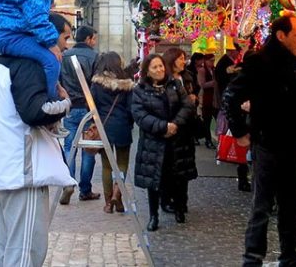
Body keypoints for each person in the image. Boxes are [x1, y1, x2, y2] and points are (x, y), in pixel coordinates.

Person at [0, 13, 75, 267]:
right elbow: (34, 111)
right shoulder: (29, 65)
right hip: (21, 172)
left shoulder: (3, 63)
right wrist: (65, 104)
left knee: (3, 244)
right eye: (64, 37)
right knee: (26, 248)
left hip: (3, 168)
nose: (65, 45)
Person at [223, 14, 296, 267]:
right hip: (267, 144)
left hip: (291, 144)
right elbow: (230, 96)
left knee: (289, 205)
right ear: (281, 36)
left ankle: (289, 255)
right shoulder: (260, 62)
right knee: (262, 205)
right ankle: (252, 258)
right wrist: (239, 132)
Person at [132, 53, 197, 232]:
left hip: (176, 140)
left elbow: (187, 106)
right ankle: (154, 216)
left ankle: (178, 208)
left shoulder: (175, 85)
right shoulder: (140, 90)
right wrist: (163, 127)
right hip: (153, 142)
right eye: (154, 67)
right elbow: (140, 115)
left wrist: (174, 124)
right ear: (147, 71)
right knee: (154, 181)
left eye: (161, 66)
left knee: (176, 176)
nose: (159, 70)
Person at [59, 25, 100, 205]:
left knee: (70, 147)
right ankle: (85, 189)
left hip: (69, 107)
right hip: (88, 108)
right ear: (89, 39)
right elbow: (97, 85)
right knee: (88, 150)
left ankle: (68, 183)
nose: (95, 42)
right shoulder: (95, 57)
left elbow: (59, 82)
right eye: (94, 39)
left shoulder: (65, 56)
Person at [90, 51, 135, 214]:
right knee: (122, 163)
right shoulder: (127, 85)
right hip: (122, 126)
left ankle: (108, 203)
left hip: (104, 126)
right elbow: (131, 109)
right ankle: (118, 195)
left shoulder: (96, 84)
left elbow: (92, 106)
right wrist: (129, 124)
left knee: (106, 167)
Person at [215, 48, 251, 192]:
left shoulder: (237, 76)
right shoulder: (240, 77)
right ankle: (244, 179)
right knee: (245, 151)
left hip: (243, 121)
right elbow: (229, 100)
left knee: (245, 152)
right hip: (244, 120)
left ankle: (244, 179)